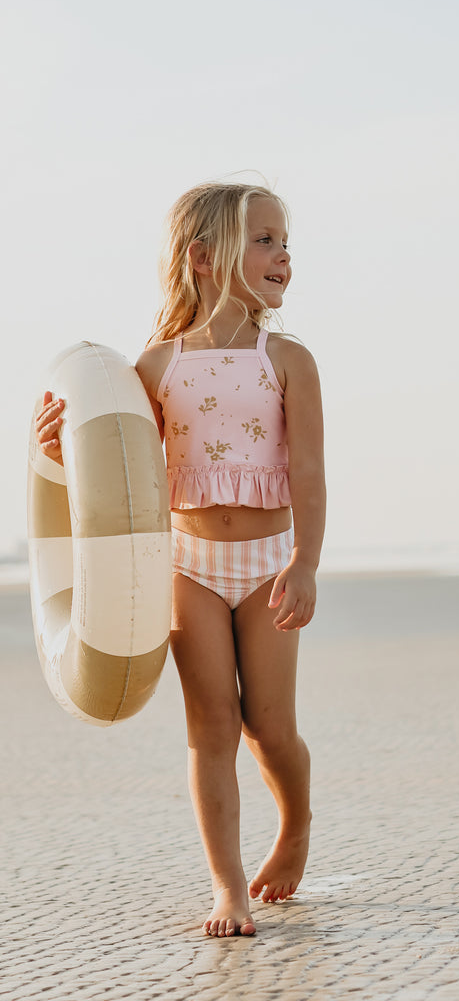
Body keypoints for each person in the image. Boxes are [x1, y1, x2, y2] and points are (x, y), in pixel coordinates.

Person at [36, 181, 325, 937]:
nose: (282, 254)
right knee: (212, 728)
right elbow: (120, 467)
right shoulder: (157, 365)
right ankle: (226, 888)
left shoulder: (288, 358)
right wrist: (59, 443)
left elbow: (308, 473)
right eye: (264, 239)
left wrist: (305, 561)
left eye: (284, 241)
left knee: (269, 726)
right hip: (189, 563)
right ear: (203, 256)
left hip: (266, 563)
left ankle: (294, 825)